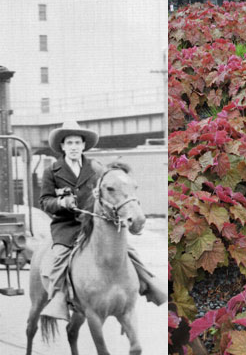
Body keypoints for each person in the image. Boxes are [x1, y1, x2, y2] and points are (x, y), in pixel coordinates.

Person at [39, 120, 167, 320]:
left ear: (83, 146)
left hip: (95, 222)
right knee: (59, 256)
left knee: (128, 251)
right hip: (67, 225)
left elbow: (109, 193)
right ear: (63, 146)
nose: (74, 147)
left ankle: (149, 283)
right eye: (69, 143)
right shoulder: (52, 171)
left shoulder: (95, 168)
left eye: (77, 143)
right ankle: (59, 297)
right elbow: (45, 201)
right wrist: (62, 203)